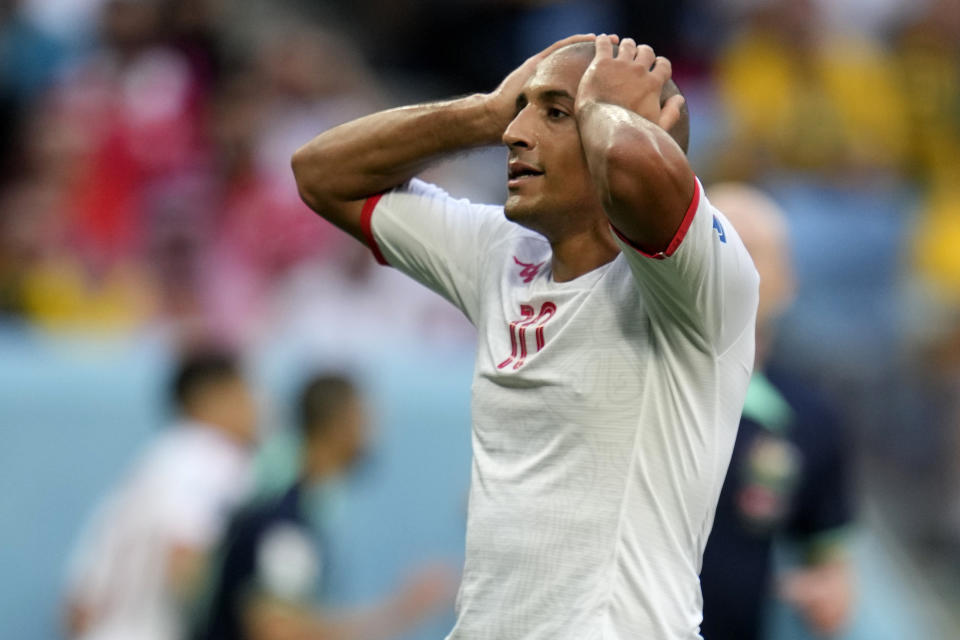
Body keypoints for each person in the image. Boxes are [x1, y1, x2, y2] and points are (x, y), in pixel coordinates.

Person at [291, 33, 759, 639]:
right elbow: (321, 175)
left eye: (557, 113)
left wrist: (606, 111)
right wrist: (485, 111)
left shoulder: (696, 284)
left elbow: (640, 172)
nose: (517, 134)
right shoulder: (501, 255)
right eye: (524, 110)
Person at [699, 184, 855, 640]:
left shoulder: (811, 420)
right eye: (714, 241)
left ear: (788, 281)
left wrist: (825, 593)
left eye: (752, 250)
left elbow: (831, 570)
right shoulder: (620, 380)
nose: (732, 264)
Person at [192, 373, 456, 640]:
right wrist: (402, 609)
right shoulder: (286, 527)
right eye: (363, 420)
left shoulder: (296, 513)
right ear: (340, 425)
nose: (372, 434)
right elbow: (281, 632)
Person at [64, 349, 258, 640]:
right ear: (214, 399)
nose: (258, 407)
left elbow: (76, 608)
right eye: (247, 394)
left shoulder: (155, 462)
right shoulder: (211, 457)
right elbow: (183, 560)